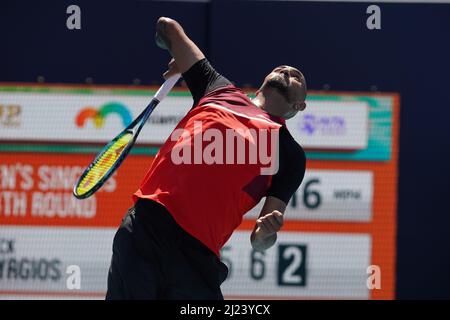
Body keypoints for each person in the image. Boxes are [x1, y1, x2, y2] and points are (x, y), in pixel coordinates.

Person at [106, 17, 307, 300]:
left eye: (297, 76)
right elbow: (168, 26)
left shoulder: (290, 154)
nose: (287, 70)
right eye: (281, 68)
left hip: (197, 260)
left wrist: (265, 233)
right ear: (262, 82)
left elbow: (260, 242)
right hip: (146, 230)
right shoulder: (217, 89)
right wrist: (175, 52)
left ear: (300, 105)